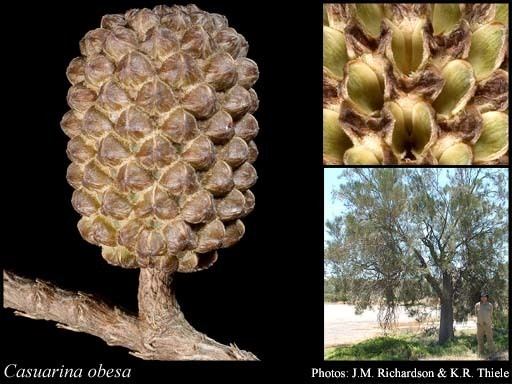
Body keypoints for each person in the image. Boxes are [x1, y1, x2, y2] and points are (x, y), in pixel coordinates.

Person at [475, 291, 495, 357]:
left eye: (485, 297)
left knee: (490, 339)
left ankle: (491, 352)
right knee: (480, 339)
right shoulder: (477, 305)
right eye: (482, 297)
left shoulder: (490, 305)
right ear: (480, 298)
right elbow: (476, 314)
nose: (483, 298)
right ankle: (481, 353)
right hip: (479, 325)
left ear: (487, 298)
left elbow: (491, 314)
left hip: (488, 325)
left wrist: (487, 321)